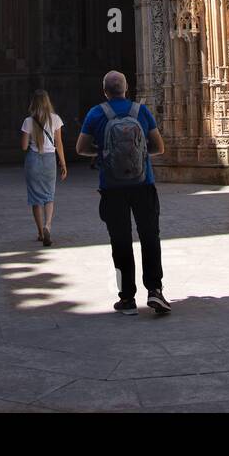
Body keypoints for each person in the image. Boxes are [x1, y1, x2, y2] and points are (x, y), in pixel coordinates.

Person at [77, 70, 170, 316]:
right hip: (143, 183)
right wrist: (139, 155)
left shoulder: (96, 113)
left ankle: (127, 297)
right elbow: (159, 148)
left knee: (120, 241)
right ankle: (155, 290)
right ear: (126, 88)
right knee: (150, 236)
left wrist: (103, 154)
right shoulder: (141, 111)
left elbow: (81, 148)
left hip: (111, 186)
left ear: (104, 91)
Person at [20, 90, 66, 246]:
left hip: (33, 159)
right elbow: (59, 143)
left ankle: (40, 232)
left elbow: (24, 146)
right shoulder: (56, 119)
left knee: (36, 198)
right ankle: (48, 225)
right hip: (49, 160)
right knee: (49, 196)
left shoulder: (28, 121)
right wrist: (63, 164)